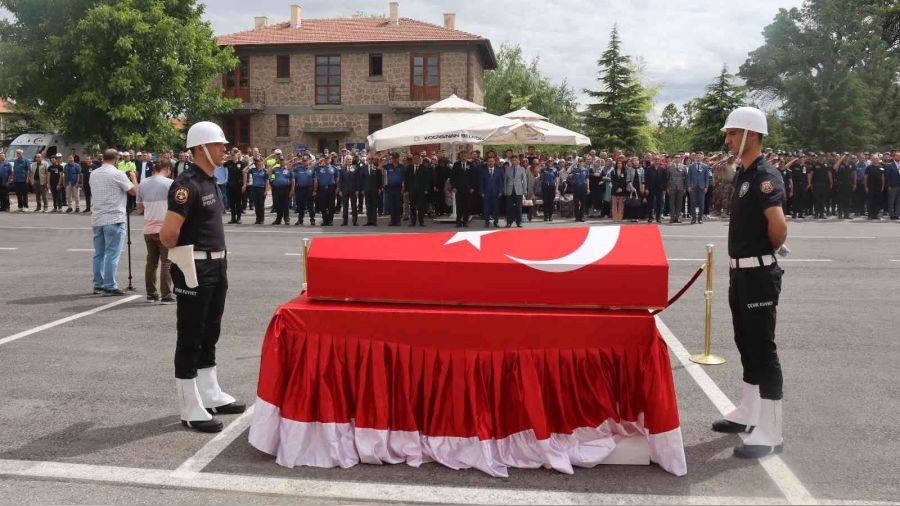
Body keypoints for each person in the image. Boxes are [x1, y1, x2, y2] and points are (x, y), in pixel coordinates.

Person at [160, 121, 245, 434]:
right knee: (191, 335)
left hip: (216, 266)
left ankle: (210, 393)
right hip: (194, 268)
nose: (224, 149)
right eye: (219, 144)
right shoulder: (187, 184)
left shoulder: (210, 180)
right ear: (201, 148)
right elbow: (168, 234)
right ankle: (189, 406)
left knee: (210, 331)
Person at [713, 107, 787, 459]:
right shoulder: (744, 174)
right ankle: (748, 412)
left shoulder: (763, 176)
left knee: (763, 349)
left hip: (757, 273)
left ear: (751, 135)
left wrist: (762, 255)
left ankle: (771, 430)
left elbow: (778, 227)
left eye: (732, 133)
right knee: (745, 342)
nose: (727, 139)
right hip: (740, 272)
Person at [89, 149, 136, 296]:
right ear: (116, 160)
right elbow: (133, 191)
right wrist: (133, 177)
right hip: (114, 218)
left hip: (97, 218)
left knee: (99, 254)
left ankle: (98, 284)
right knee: (112, 254)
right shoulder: (117, 173)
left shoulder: (94, 174)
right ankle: (109, 285)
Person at [137, 160, 175, 303]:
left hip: (148, 228)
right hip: (164, 228)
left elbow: (139, 207)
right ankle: (166, 294)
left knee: (151, 263)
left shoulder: (143, 183)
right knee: (166, 262)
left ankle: (151, 293)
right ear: (167, 169)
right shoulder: (170, 184)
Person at [404, 153, 431, 227]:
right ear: (413, 159)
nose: (416, 160)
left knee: (421, 207)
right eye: (414, 158)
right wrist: (406, 190)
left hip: (421, 190)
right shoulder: (409, 168)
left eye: (417, 158)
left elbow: (427, 179)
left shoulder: (424, 168)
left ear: (420, 159)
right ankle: (413, 222)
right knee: (412, 207)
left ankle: (421, 222)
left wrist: (426, 189)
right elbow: (406, 180)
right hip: (412, 190)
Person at [450, 151, 475, 227]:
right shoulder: (456, 164)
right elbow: (452, 176)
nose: (463, 157)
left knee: (466, 206)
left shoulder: (470, 164)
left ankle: (465, 222)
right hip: (458, 189)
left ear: (467, 156)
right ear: (460, 156)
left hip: (468, 189)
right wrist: (453, 187)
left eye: (465, 155)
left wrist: (472, 187)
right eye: (462, 156)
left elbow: (473, 177)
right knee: (459, 206)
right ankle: (458, 222)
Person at [504, 154, 527, 228]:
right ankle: (509, 222)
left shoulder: (522, 169)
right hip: (509, 190)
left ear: (518, 161)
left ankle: (519, 222)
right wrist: (505, 190)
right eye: (512, 160)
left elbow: (524, 180)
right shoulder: (507, 169)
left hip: (519, 190)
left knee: (518, 207)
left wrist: (524, 190)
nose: (514, 161)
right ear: (511, 161)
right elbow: (505, 181)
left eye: (515, 160)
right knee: (509, 207)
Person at [313, 156, 337, 226]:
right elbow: (311, 166)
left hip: (331, 188)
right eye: (325, 158)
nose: (327, 160)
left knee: (331, 205)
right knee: (323, 206)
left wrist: (337, 188)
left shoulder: (334, 168)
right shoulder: (319, 168)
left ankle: (330, 221)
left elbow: (337, 178)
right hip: (322, 188)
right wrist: (320, 160)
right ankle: (325, 220)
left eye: (328, 158)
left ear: (330, 160)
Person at [269, 156, 293, 226]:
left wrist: (291, 190)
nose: (282, 161)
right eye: (280, 160)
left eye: (283, 160)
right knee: (278, 205)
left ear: (285, 161)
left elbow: (292, 180)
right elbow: (269, 171)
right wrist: (275, 163)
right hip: (277, 189)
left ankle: (287, 219)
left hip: (285, 189)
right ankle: (278, 220)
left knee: (285, 205)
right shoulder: (275, 169)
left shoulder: (288, 169)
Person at [480, 155, 503, 227]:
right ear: (487, 162)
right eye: (489, 161)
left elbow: (501, 182)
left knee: (496, 208)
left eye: (492, 161)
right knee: (486, 208)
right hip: (486, 193)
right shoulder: (483, 171)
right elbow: (481, 182)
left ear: (494, 162)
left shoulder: (499, 170)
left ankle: (496, 222)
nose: (491, 163)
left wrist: (500, 191)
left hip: (496, 192)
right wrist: (482, 192)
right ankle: (487, 222)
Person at [687, 153, 710, 224]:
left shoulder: (705, 166)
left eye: (699, 157)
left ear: (701, 158)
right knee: (693, 202)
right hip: (693, 187)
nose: (698, 158)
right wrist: (689, 186)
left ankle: (700, 219)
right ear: (695, 158)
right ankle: (693, 218)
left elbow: (707, 178)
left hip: (702, 187)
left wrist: (706, 186)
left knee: (701, 203)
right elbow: (689, 177)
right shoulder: (691, 166)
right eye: (697, 157)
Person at [807, 154, 832, 219]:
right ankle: (816, 214)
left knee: (823, 200)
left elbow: (829, 174)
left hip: (825, 184)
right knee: (816, 199)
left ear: (824, 158)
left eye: (823, 157)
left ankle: (821, 214)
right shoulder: (814, 165)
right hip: (816, 184)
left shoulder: (827, 165)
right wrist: (810, 183)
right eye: (820, 156)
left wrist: (831, 182)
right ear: (818, 157)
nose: (821, 158)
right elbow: (810, 174)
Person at [292, 157, 316, 226]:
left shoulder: (312, 169)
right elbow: (289, 168)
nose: (304, 162)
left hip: (309, 189)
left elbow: (315, 180)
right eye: (303, 161)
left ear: (308, 161)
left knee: (310, 205)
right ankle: (300, 220)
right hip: (300, 189)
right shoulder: (297, 168)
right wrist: (296, 162)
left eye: (306, 160)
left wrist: (314, 190)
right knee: (300, 205)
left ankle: (312, 220)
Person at [224, 150, 245, 224]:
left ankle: (239, 218)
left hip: (239, 186)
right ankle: (233, 218)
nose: (233, 156)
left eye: (234, 155)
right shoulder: (227, 163)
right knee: (231, 203)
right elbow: (219, 166)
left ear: (238, 155)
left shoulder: (242, 164)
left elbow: (244, 174)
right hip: (230, 186)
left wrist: (244, 184)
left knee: (238, 202)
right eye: (231, 155)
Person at [245, 157, 268, 225]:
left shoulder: (264, 171)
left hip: (262, 189)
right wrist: (251, 164)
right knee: (256, 205)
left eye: (260, 162)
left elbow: (267, 181)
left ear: (262, 163)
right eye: (257, 162)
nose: (259, 163)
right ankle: (258, 219)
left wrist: (266, 190)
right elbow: (244, 170)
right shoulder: (253, 170)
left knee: (261, 205)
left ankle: (262, 219)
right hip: (254, 188)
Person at [338, 155, 359, 226]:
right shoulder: (342, 169)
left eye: (350, 159)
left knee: (354, 206)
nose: (349, 161)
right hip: (344, 190)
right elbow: (340, 180)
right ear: (345, 160)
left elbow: (357, 180)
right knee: (345, 206)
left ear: (352, 160)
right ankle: (345, 221)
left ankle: (355, 221)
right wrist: (340, 190)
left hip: (353, 190)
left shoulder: (355, 168)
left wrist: (357, 190)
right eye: (348, 159)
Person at [361, 154, 382, 226]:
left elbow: (379, 179)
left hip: (374, 189)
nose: (370, 160)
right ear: (367, 160)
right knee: (368, 205)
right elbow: (362, 179)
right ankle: (369, 220)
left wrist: (379, 188)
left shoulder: (376, 168)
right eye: (369, 159)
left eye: (371, 159)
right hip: (366, 189)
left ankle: (374, 221)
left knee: (374, 205)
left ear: (373, 160)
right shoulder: (363, 168)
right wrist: (362, 189)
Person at [384, 153, 405, 226]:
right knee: (391, 205)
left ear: (398, 158)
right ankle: (392, 221)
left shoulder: (401, 167)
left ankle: (398, 221)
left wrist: (403, 188)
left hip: (398, 188)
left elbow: (404, 179)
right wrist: (386, 159)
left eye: (396, 158)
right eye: (393, 158)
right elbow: (379, 167)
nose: (394, 159)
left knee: (398, 205)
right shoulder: (388, 166)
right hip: (390, 188)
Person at [667, 155, 688, 223]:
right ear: (674, 159)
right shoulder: (670, 167)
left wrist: (685, 187)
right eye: (676, 158)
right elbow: (667, 178)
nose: (677, 159)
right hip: (672, 187)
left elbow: (686, 178)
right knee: (672, 203)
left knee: (679, 203)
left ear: (681, 159)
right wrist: (667, 187)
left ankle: (678, 217)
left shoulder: (684, 167)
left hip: (680, 187)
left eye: (679, 158)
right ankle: (672, 218)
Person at [864, 155, 885, 220]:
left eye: (876, 159)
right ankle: (870, 215)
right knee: (870, 201)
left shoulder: (881, 167)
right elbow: (865, 177)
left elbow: (883, 177)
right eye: (874, 159)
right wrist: (866, 186)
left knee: (877, 201)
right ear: (872, 160)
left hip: (878, 187)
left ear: (878, 159)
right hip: (870, 187)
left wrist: (883, 186)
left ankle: (876, 214)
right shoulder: (868, 167)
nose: (875, 160)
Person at [886, 151, 900, 220]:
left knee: (898, 201)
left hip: (899, 185)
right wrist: (888, 185)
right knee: (891, 200)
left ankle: (897, 214)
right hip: (893, 186)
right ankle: (891, 214)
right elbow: (887, 176)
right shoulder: (890, 165)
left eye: (899, 156)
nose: (898, 157)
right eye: (897, 156)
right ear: (894, 157)